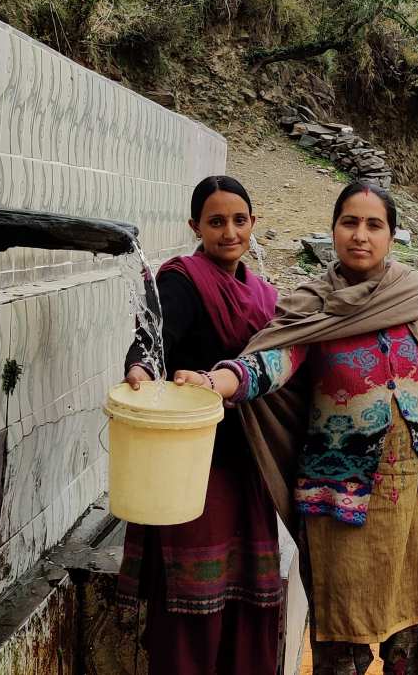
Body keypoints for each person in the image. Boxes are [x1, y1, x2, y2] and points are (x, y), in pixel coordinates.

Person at [186, 181, 418, 674]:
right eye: (350, 222)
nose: (360, 235)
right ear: (334, 229)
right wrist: (221, 380)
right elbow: (271, 362)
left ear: (392, 235)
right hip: (341, 510)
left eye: (373, 225)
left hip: (416, 503)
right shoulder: (311, 307)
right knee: (342, 649)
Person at [117, 175, 283, 675]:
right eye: (216, 222)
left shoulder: (264, 295)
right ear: (195, 226)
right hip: (194, 466)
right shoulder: (182, 280)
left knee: (248, 595)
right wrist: (141, 369)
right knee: (190, 594)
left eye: (238, 220)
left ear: (253, 224)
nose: (228, 231)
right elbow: (152, 335)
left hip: (248, 460)